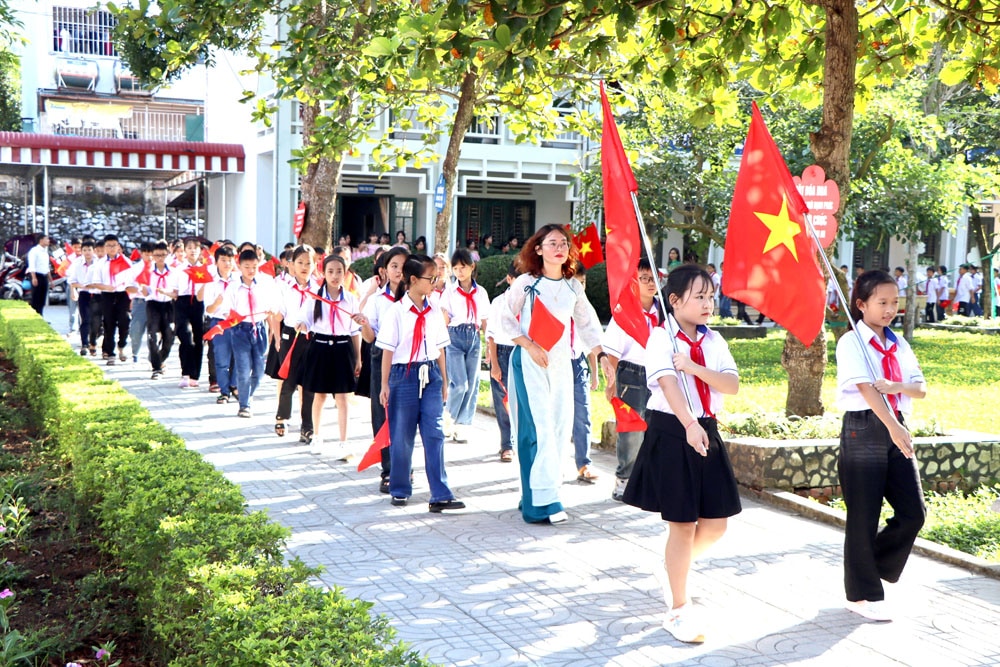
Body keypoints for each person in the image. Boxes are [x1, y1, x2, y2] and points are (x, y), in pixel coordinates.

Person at [622, 264, 741, 644]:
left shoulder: (713, 341)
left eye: (711, 296)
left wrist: (695, 366)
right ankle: (677, 608)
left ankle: (675, 567)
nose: (708, 303)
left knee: (716, 523)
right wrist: (688, 423)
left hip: (706, 429)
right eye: (699, 296)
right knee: (682, 523)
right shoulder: (660, 337)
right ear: (674, 301)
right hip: (673, 431)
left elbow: (731, 384)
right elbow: (668, 384)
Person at [836, 269, 927, 622]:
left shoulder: (897, 343)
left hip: (895, 424)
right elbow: (864, 389)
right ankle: (863, 596)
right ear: (861, 305)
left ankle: (865, 566)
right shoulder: (851, 343)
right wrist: (892, 424)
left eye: (895, 302)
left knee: (913, 513)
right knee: (863, 514)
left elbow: (920, 388)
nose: (890, 309)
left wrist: (896, 386)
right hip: (865, 426)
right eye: (882, 302)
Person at [500, 224, 603, 524]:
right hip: (530, 362)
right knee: (537, 429)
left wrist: (602, 355)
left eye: (564, 243)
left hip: (559, 365)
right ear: (538, 249)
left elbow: (587, 323)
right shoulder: (526, 283)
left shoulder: (573, 286)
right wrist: (529, 346)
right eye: (552, 242)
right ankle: (541, 504)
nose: (559, 248)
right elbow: (504, 317)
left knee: (558, 429)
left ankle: (538, 492)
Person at [376, 254, 465, 513]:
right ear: (413, 280)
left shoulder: (435, 309)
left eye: (437, 277)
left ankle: (440, 493)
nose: (436, 282)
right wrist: (384, 384)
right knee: (402, 436)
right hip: (403, 376)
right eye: (431, 278)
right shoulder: (396, 311)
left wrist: (445, 381)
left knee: (435, 433)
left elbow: (440, 348)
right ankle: (400, 488)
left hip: (431, 375)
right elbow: (388, 351)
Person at [602, 259, 662, 501]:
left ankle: (650, 479)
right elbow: (613, 354)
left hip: (659, 375)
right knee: (631, 429)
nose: (650, 283)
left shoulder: (666, 313)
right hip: (631, 375)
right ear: (633, 282)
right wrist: (611, 383)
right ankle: (624, 479)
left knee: (656, 428)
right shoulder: (624, 313)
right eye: (644, 278)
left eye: (654, 278)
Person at [294, 253, 361, 455]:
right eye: (330, 271)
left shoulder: (350, 299)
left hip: (342, 348)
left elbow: (354, 331)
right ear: (323, 273)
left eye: (339, 271)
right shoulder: (315, 297)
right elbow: (305, 322)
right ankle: (317, 437)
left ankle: (344, 442)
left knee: (342, 397)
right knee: (319, 395)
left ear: (345, 273)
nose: (335, 275)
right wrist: (301, 325)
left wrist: (358, 357)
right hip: (320, 347)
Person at [356, 246, 409, 492]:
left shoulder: (416, 298)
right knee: (382, 415)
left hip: (409, 361)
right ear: (384, 270)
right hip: (381, 362)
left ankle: (405, 468)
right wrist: (365, 324)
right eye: (394, 266)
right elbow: (369, 338)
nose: (398, 271)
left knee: (407, 417)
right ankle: (388, 470)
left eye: (403, 266)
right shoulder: (377, 301)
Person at [219, 248, 282, 418]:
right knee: (243, 369)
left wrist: (271, 311)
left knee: (260, 370)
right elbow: (225, 311)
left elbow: (274, 307)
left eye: (254, 266)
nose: (251, 270)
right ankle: (244, 405)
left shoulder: (264, 284)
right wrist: (234, 318)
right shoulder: (233, 287)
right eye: (247, 266)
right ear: (239, 266)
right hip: (240, 330)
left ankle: (246, 393)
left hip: (259, 328)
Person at [440, 248, 490, 444]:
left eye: (463, 267)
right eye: (455, 268)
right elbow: (444, 319)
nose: (459, 271)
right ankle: (448, 417)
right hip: (454, 336)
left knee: (473, 383)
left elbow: (485, 320)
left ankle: (462, 425)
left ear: (472, 267)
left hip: (474, 336)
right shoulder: (450, 292)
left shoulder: (481, 292)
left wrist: (488, 347)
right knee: (460, 384)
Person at [268, 245, 317, 441]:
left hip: (311, 338)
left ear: (315, 265)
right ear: (292, 266)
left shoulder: (319, 289)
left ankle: (307, 427)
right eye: (300, 263)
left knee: (309, 383)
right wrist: (278, 339)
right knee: (289, 379)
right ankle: (282, 416)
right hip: (290, 336)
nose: (304, 266)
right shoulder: (286, 288)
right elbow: (277, 315)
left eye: (308, 263)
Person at [486, 262, 519, 462]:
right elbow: (491, 335)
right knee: (502, 399)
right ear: (509, 279)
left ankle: (521, 441)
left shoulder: (531, 300)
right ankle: (507, 444)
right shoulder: (499, 302)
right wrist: (495, 364)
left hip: (523, 351)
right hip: (503, 351)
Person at [570, 262, 600, 484]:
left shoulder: (587, 309)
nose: (581, 287)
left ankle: (584, 463)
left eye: (583, 283)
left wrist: (596, 373)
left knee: (583, 415)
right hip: (557, 364)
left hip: (579, 365)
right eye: (576, 283)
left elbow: (592, 341)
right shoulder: (556, 305)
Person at [89, 234, 132, 365]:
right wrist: (106, 287)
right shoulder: (100, 264)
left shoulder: (126, 262)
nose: (112, 248)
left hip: (123, 294)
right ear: (105, 247)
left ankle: (122, 344)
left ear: (118, 246)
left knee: (125, 321)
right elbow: (95, 283)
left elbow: (132, 282)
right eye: (108, 246)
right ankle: (111, 353)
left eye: (114, 245)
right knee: (109, 323)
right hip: (107, 295)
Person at [202, 245, 238, 401]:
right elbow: (208, 310)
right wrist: (216, 303)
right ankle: (224, 391)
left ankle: (234, 386)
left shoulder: (239, 281)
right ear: (216, 262)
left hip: (236, 323)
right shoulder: (211, 285)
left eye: (230, 260)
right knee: (221, 358)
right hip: (219, 323)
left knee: (237, 357)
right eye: (223, 260)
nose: (227, 264)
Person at [138, 241, 178, 379]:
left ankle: (159, 359)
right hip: (153, 304)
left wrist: (166, 292)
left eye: (163, 255)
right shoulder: (148, 272)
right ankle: (156, 368)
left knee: (169, 336)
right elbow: (145, 293)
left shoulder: (174, 272)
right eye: (157, 255)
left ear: (167, 255)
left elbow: (176, 292)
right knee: (152, 336)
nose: (160, 258)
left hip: (168, 304)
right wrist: (142, 287)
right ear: (153, 256)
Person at [171, 238, 207, 388]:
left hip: (198, 303)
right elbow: (174, 291)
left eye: (195, 248)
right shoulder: (178, 269)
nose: (192, 251)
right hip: (182, 302)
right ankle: (185, 372)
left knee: (198, 339)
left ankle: (194, 375)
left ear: (200, 252)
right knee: (185, 336)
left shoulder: (205, 270)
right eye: (189, 248)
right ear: (184, 251)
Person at [68, 238, 97, 355]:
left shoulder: (99, 263)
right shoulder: (77, 263)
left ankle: (93, 342)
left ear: (93, 250)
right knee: (85, 319)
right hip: (84, 293)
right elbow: (72, 280)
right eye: (84, 250)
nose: (87, 252)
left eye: (89, 250)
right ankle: (84, 344)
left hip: (97, 294)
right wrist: (77, 288)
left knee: (96, 320)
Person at [127, 241, 153, 363]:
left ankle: (153, 357)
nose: (149, 257)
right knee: (136, 330)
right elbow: (128, 286)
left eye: (151, 254)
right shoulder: (135, 268)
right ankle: (135, 352)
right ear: (141, 254)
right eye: (146, 254)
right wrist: (139, 289)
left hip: (154, 302)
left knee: (153, 332)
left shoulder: (159, 268)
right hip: (140, 301)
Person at [26, 233, 51, 315]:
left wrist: (51, 280)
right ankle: (35, 315)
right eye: (46, 239)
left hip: (44, 276)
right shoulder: (34, 251)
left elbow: (46, 267)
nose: (48, 241)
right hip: (37, 275)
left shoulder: (45, 252)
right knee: (36, 298)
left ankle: (41, 314)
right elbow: (32, 265)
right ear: (41, 240)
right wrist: (34, 277)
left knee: (42, 298)